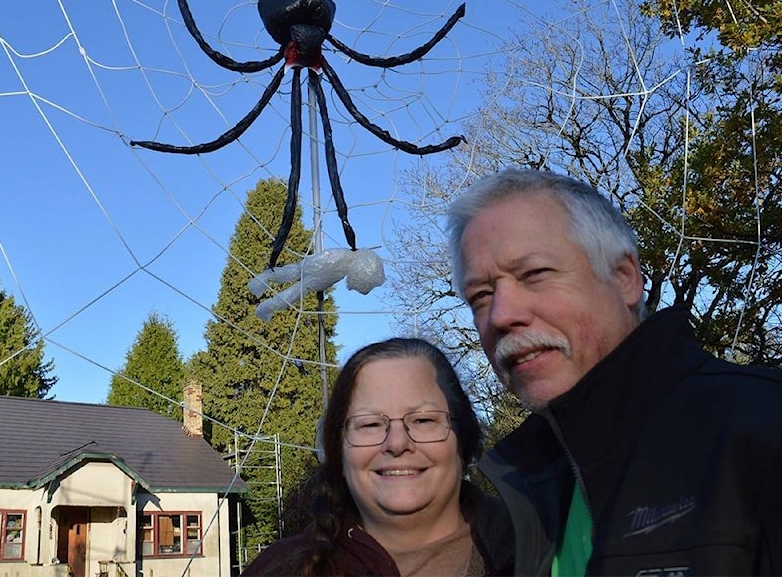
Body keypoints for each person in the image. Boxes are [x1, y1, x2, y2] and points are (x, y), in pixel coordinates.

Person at [446, 167, 782, 575]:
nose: (501, 315)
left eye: (534, 274)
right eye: (480, 296)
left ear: (625, 278)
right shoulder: (530, 495)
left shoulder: (764, 429)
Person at [243, 337, 514, 576]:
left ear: (462, 436)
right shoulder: (276, 569)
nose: (396, 443)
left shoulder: (540, 552)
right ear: (338, 449)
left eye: (423, 420)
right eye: (370, 424)